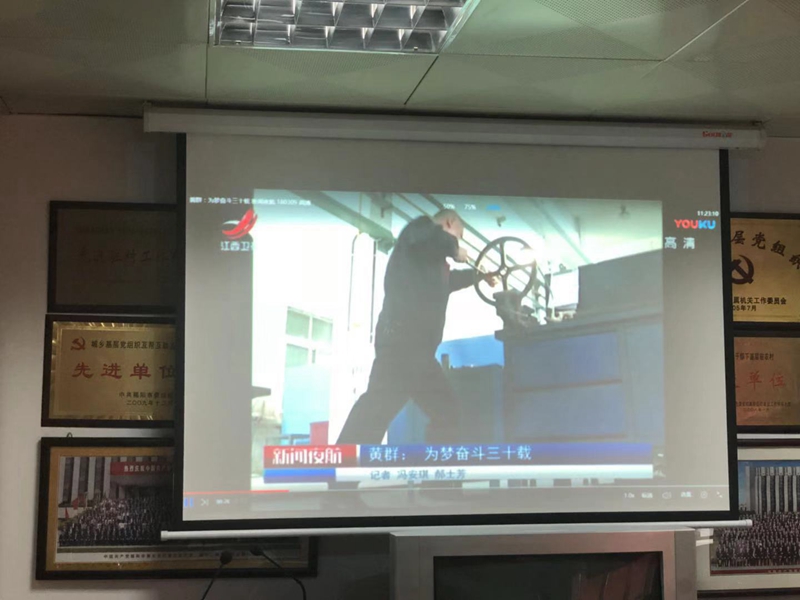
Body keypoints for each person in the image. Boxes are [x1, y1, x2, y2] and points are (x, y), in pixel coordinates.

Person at [338, 209, 493, 445]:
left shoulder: (427, 262)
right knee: (431, 411)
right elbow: (432, 239)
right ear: (449, 222)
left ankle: (344, 463)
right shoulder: (420, 229)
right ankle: (343, 463)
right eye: (458, 235)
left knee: (384, 410)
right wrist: (454, 249)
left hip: (411, 348)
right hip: (405, 344)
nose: (458, 241)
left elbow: (447, 282)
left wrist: (479, 276)